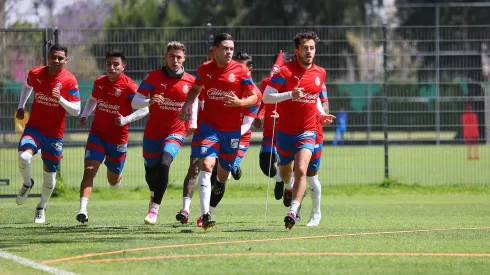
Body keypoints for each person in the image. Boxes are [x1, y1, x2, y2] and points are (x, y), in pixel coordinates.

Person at [179, 33, 258, 230]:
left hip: (231, 131)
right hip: (209, 127)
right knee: (206, 164)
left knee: (223, 174)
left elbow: (254, 97)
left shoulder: (241, 71)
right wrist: (186, 105)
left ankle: (221, 184)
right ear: (215, 50)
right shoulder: (205, 69)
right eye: (225, 48)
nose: (229, 52)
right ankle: (206, 215)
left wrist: (240, 103)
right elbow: (196, 90)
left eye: (231, 48)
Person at [263, 31, 335, 230]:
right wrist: (289, 94)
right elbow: (266, 98)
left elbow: (316, 101)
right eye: (305, 47)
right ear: (296, 50)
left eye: (312, 47)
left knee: (303, 170)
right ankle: (288, 186)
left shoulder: (320, 73)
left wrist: (321, 115)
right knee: (287, 173)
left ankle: (294, 211)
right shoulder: (284, 72)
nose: (309, 51)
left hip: (308, 131)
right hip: (285, 133)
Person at [76, 49, 149, 224]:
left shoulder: (129, 86)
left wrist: (125, 119)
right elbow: (93, 99)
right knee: (89, 170)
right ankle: (82, 210)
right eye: (109, 64)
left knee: (113, 180)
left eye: (116, 64)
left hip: (118, 139)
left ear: (123, 67)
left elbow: (145, 108)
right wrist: (86, 114)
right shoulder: (100, 82)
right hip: (97, 134)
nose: (111, 67)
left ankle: (118, 175)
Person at [132, 41, 197, 225]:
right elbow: (135, 102)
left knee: (165, 163)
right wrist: (149, 101)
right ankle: (153, 194)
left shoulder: (191, 81)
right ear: (165, 56)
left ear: (184, 58)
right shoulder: (153, 77)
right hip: (152, 134)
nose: (175, 60)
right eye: (172, 56)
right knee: (151, 175)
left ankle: (154, 210)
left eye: (179, 57)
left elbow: (197, 101)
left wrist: (193, 122)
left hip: (176, 132)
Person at [15, 44, 81, 223]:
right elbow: (27, 86)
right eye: (53, 57)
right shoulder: (36, 73)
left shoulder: (70, 80)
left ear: (65, 60)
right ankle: (27, 183)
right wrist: (21, 105)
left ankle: (41, 207)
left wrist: (59, 98)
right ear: (48, 57)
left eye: (60, 58)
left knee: (50, 179)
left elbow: (76, 110)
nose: (56, 60)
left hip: (54, 135)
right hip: (34, 129)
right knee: (24, 157)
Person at [207, 51, 261, 214]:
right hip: (219, 132)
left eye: (240, 66)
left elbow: (247, 124)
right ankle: (205, 212)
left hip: (239, 136)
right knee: (211, 169)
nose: (235, 69)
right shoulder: (227, 84)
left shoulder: (255, 94)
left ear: (249, 69)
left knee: (222, 175)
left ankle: (209, 211)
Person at [175, 47, 215, 227]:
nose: (210, 61)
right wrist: (192, 122)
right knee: (195, 168)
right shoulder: (203, 75)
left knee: (217, 174)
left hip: (223, 132)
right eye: (208, 58)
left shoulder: (231, 77)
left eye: (213, 58)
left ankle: (207, 212)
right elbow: (195, 98)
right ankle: (185, 209)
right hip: (203, 131)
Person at [253, 51, 291, 203]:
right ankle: (281, 179)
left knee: (291, 169)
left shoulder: (293, 86)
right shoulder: (266, 83)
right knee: (265, 165)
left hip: (288, 134)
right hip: (270, 133)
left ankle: (294, 206)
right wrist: (260, 116)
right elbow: (264, 102)